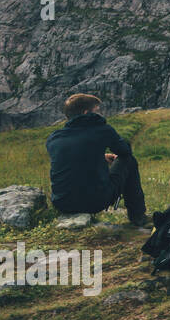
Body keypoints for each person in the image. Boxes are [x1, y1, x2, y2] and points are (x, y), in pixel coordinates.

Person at [45, 93, 147, 225]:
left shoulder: (54, 138)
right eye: (97, 111)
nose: (100, 115)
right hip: (95, 202)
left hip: (62, 203)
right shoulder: (102, 130)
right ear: (87, 113)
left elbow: (74, 158)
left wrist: (100, 156)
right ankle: (138, 216)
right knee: (128, 160)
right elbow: (125, 151)